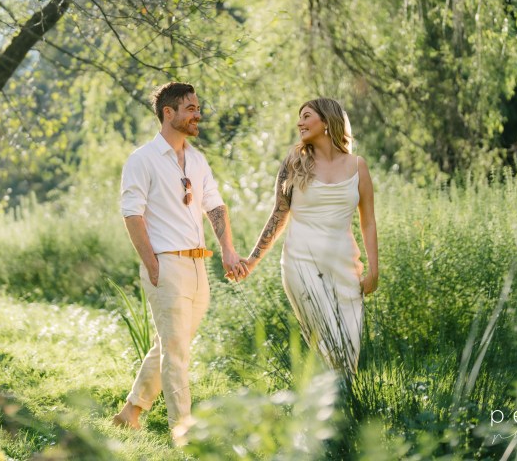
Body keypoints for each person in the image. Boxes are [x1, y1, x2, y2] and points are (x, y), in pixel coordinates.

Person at [112, 82, 245, 431]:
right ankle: (182, 432)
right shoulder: (142, 159)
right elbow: (131, 213)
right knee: (176, 353)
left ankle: (131, 412)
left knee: (173, 344)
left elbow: (214, 205)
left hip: (199, 265)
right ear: (168, 113)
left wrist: (228, 250)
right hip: (166, 264)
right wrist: (152, 264)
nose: (197, 114)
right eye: (190, 108)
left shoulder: (198, 160)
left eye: (198, 108)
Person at [242, 98, 378, 373]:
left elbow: (369, 222)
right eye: (299, 117)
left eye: (306, 116)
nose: (299, 123)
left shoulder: (357, 166)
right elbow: (278, 215)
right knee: (330, 343)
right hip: (300, 264)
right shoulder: (295, 162)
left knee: (349, 345)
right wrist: (252, 260)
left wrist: (374, 270)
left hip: (345, 268)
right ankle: (333, 405)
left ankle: (343, 409)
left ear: (326, 122)